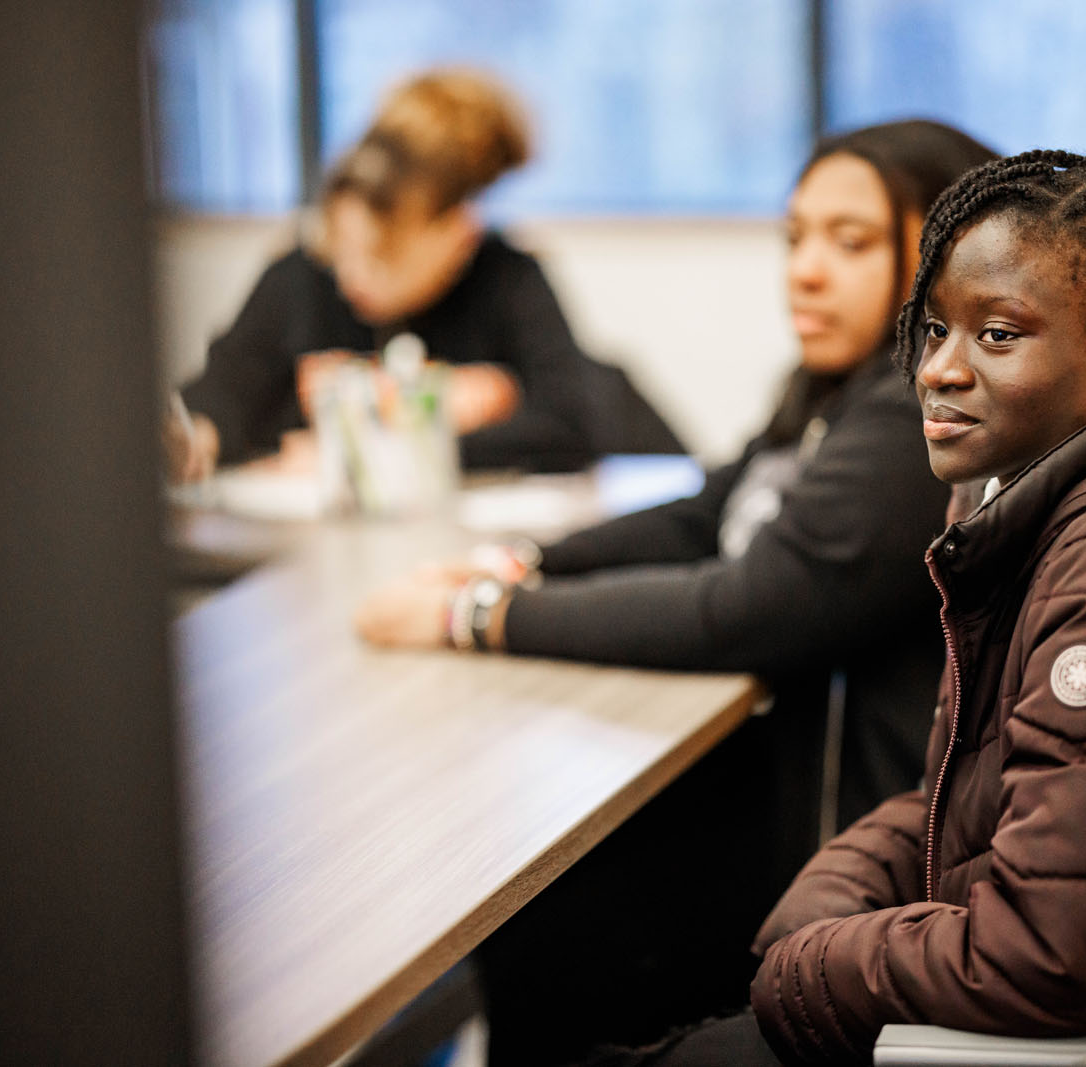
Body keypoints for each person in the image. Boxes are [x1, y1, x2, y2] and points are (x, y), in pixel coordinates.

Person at [586, 149, 1086, 1066]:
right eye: (936, 329)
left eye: (999, 335)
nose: (937, 369)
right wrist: (836, 889)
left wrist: (809, 966)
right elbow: (991, 788)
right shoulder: (1042, 504)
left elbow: (1055, 960)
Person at [356, 121, 997, 1063]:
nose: (805, 272)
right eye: (795, 238)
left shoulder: (920, 414)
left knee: (548, 900)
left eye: (849, 242)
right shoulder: (831, 391)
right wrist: (525, 562)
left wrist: (478, 617)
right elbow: (705, 513)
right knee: (542, 888)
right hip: (782, 791)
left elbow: (751, 605)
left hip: (846, 855)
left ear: (949, 257)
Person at [168, 68, 599, 480]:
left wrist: (389, 443)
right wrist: (197, 438)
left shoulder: (508, 281)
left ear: (458, 233)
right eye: (340, 250)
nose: (351, 278)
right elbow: (224, 394)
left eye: (381, 258)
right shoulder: (301, 278)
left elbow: (573, 427)